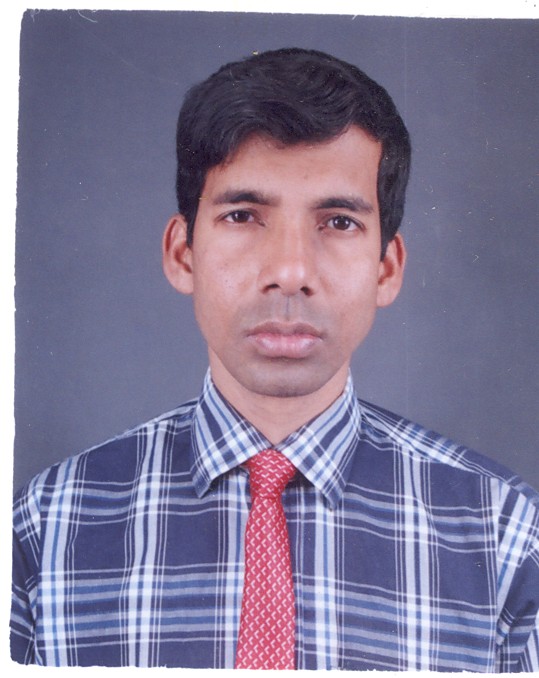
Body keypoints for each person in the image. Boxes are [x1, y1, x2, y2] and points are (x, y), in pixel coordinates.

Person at [11, 47, 539, 671]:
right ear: (182, 254)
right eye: (243, 215)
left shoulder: (505, 534)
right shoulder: (46, 528)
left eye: (338, 222)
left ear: (387, 268)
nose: (290, 272)